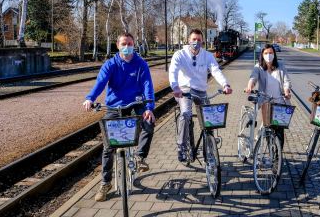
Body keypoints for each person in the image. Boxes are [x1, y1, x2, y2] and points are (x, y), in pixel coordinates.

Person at [83, 32, 156, 201]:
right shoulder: (111, 64)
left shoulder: (141, 64)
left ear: (134, 44)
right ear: (118, 45)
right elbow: (100, 82)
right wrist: (90, 98)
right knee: (108, 146)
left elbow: (147, 85)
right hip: (114, 106)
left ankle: (140, 157)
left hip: (135, 103)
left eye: (130, 43)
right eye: (124, 43)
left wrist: (149, 107)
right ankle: (105, 182)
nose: (127, 46)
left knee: (148, 123)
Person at [169, 28, 232, 163]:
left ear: (202, 41)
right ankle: (181, 146)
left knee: (209, 118)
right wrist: (175, 87)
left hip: (201, 91)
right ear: (188, 40)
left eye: (198, 40)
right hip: (184, 90)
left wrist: (225, 85)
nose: (196, 42)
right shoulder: (179, 54)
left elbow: (215, 70)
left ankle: (208, 147)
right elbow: (173, 71)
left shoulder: (207, 55)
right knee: (186, 114)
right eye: (193, 39)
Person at [245, 43, 292, 148]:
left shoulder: (280, 65)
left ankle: (277, 156)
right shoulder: (259, 67)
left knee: (279, 130)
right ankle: (271, 151)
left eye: (271, 53)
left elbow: (286, 81)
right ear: (262, 54)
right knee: (268, 127)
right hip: (266, 102)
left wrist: (287, 91)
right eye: (266, 53)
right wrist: (249, 86)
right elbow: (253, 77)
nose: (268, 55)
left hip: (280, 101)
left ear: (274, 54)